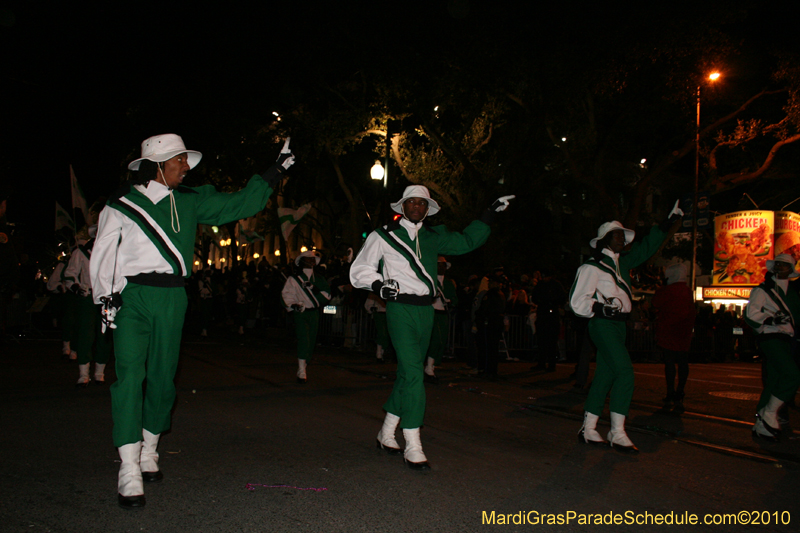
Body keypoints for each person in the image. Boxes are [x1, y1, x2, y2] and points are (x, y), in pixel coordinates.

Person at [90, 133, 294, 509]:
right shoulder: (120, 204)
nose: (187, 166)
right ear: (157, 165)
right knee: (130, 377)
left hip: (172, 296)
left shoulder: (191, 200)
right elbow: (103, 252)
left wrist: (273, 172)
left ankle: (150, 450)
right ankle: (129, 467)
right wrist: (105, 297)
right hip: (132, 296)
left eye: (185, 160)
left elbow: (238, 204)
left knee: (164, 377)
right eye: (180, 160)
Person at [350, 185, 514, 470]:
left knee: (407, 374)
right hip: (399, 309)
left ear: (428, 209)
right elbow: (360, 269)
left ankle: (386, 431)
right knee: (415, 373)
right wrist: (378, 285)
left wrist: (488, 215)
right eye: (411, 202)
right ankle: (413, 443)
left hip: (426, 310)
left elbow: (465, 242)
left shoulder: (433, 236)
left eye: (422, 203)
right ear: (402, 206)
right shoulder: (383, 235)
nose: (417, 206)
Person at [569, 202, 681, 454]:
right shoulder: (591, 266)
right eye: (617, 235)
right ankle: (617, 431)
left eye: (623, 236)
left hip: (619, 327)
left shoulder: (623, 264)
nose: (622, 239)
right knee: (625, 373)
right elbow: (577, 302)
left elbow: (647, 247)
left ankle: (588, 429)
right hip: (602, 326)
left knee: (605, 376)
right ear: (604, 240)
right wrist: (600, 308)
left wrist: (668, 221)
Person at [744, 253, 800, 442]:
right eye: (777, 264)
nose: (779, 267)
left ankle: (761, 424)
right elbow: (750, 315)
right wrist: (771, 319)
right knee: (792, 375)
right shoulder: (761, 290)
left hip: (788, 340)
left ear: (790, 270)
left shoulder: (793, 293)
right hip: (770, 338)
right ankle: (769, 413)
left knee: (774, 381)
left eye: (784, 265)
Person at [65, 225, 112, 386]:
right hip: (88, 296)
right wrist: (76, 287)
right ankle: (84, 373)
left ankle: (99, 372)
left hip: (106, 297)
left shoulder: (111, 252)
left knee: (104, 335)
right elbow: (70, 274)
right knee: (86, 334)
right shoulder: (81, 253)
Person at [281, 250, 331, 383]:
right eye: (308, 259)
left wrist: (314, 288)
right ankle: (301, 370)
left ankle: (304, 363)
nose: (312, 261)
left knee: (311, 340)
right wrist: (293, 305)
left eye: (313, 259)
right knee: (303, 339)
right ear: (301, 261)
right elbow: (286, 295)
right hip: (301, 313)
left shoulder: (319, 279)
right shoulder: (293, 279)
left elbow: (327, 296)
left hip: (314, 313)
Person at [652, 263, 696, 409]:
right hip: (684, 331)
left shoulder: (668, 290)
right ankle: (680, 390)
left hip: (668, 330)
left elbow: (655, 302)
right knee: (683, 362)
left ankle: (670, 391)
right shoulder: (687, 291)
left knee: (669, 362)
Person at [424, 256, 458, 383]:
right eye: (439, 265)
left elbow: (455, 298)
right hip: (431, 312)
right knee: (433, 339)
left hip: (443, 313)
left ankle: (431, 365)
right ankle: (428, 367)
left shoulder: (449, 283)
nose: (441, 267)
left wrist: (451, 301)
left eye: (443, 265)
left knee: (441, 340)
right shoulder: (430, 281)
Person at [531, 268, 566, 372]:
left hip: (551, 314)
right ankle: (541, 363)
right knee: (542, 340)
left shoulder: (556, 285)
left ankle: (551, 364)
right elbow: (534, 297)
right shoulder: (541, 285)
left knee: (551, 341)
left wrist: (553, 303)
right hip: (543, 313)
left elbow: (562, 298)